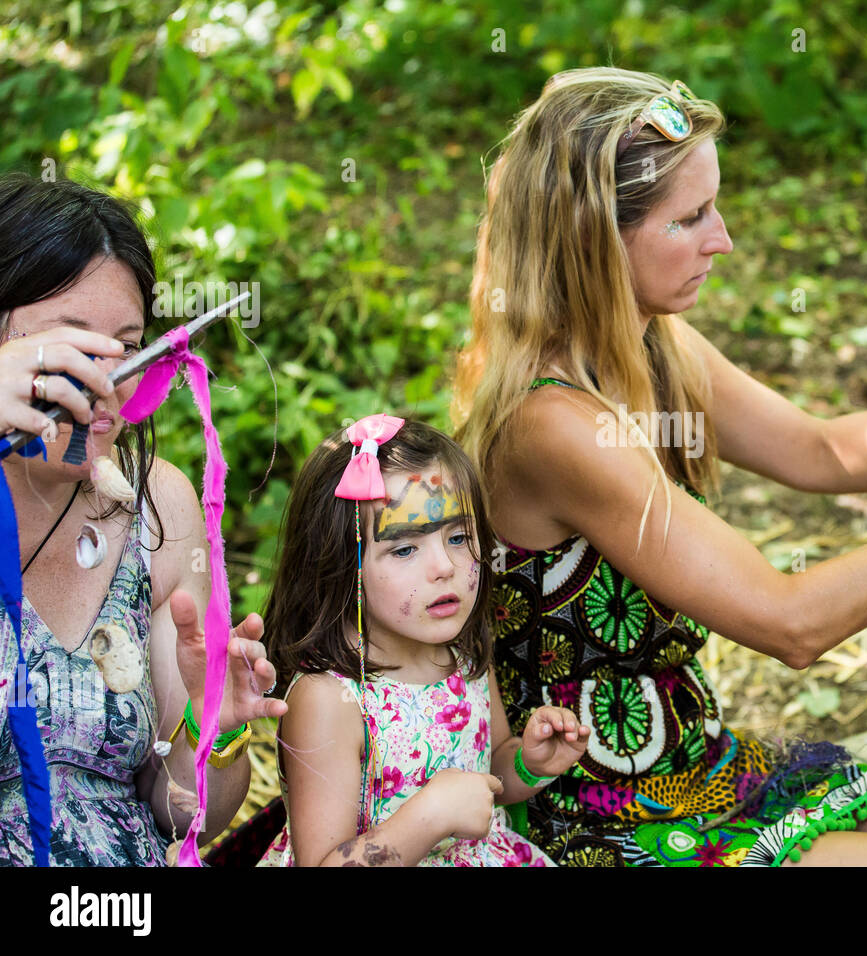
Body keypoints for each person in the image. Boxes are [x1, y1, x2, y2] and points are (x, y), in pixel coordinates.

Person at [451, 67, 867, 867]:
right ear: (594, 238)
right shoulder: (553, 423)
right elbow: (791, 624)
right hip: (595, 806)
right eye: (691, 218)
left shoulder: (650, 344)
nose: (723, 239)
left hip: (692, 756)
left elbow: (821, 450)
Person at [0, 174, 283, 865]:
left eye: (128, 347)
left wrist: (210, 721)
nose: (108, 380)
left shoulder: (159, 504)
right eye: (70, 346)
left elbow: (183, 813)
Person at [259, 417, 590, 866]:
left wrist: (529, 763)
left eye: (457, 537)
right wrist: (429, 817)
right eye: (404, 549)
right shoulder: (330, 700)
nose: (444, 566)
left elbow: (488, 774)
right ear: (340, 565)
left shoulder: (463, 653)